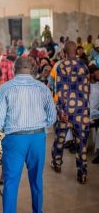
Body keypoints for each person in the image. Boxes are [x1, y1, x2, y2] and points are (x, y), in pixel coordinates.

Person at [0, 57, 56, 213]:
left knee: (11, 182)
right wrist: (40, 126)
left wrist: (8, 130)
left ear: (15, 69)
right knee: (36, 180)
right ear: (33, 68)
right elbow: (52, 117)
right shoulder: (43, 88)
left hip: (15, 139)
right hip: (37, 138)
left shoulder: (6, 88)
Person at [51, 41, 90, 184]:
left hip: (66, 110)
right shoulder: (84, 67)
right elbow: (87, 91)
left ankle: (57, 163)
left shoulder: (61, 66)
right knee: (82, 144)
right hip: (82, 111)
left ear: (65, 52)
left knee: (60, 139)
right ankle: (83, 173)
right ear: (76, 51)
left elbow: (61, 89)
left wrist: (60, 110)